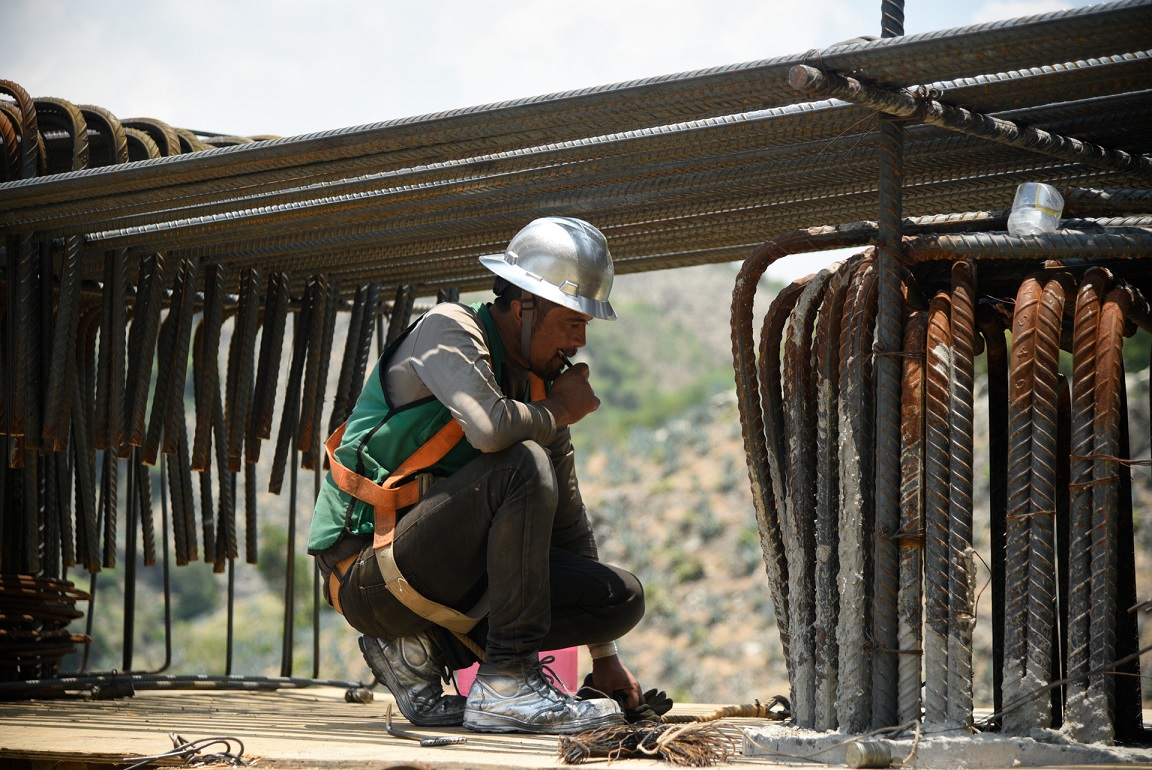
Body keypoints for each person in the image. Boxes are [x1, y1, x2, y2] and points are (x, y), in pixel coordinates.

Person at [308, 216, 647, 734]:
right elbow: (490, 430)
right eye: (572, 320)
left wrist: (604, 656)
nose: (579, 340)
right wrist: (558, 410)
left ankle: (420, 652)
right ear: (523, 306)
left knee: (619, 598)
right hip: (367, 572)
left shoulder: (540, 390)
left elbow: (569, 526)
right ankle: (506, 684)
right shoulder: (448, 328)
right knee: (521, 465)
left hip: (440, 579)